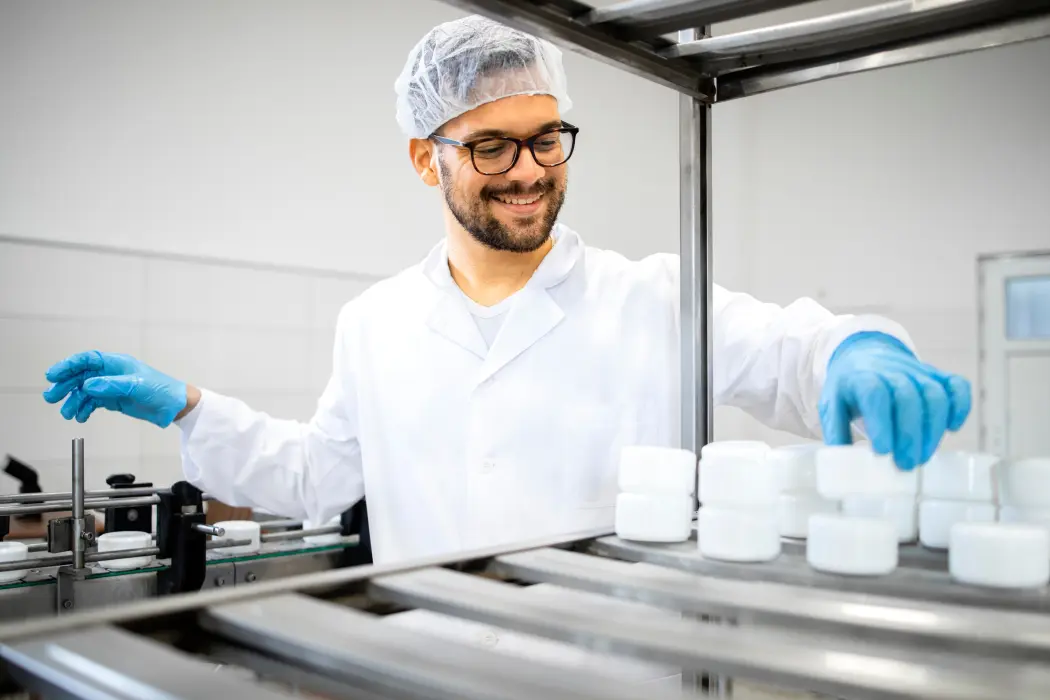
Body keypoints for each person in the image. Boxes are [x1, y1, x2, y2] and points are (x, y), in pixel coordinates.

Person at [42, 15, 969, 565]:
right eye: (490, 146)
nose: (528, 172)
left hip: (625, 678)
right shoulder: (375, 324)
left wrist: (856, 348)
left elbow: (787, 352)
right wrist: (187, 407)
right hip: (434, 671)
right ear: (425, 158)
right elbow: (317, 479)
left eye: (546, 138)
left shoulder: (649, 296)